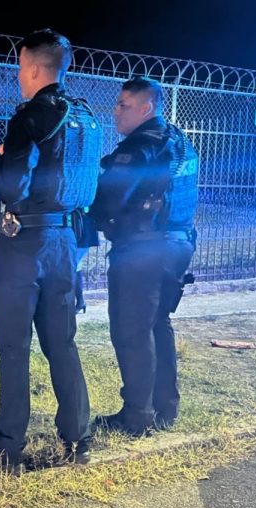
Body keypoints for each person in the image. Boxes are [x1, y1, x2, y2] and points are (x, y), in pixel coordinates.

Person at [0, 29, 101, 470]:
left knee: (14, 349)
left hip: (25, 243)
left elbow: (11, 187)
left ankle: (7, 448)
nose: (17, 75)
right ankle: (79, 439)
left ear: (32, 67)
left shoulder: (31, 116)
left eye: (18, 66)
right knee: (62, 343)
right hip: (67, 242)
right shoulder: (85, 116)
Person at [90, 76, 199, 436]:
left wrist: (92, 221)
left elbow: (108, 198)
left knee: (131, 331)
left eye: (123, 105)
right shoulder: (180, 142)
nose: (115, 111)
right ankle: (166, 408)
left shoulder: (139, 147)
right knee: (158, 325)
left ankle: (137, 416)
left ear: (146, 109)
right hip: (177, 245)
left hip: (143, 250)